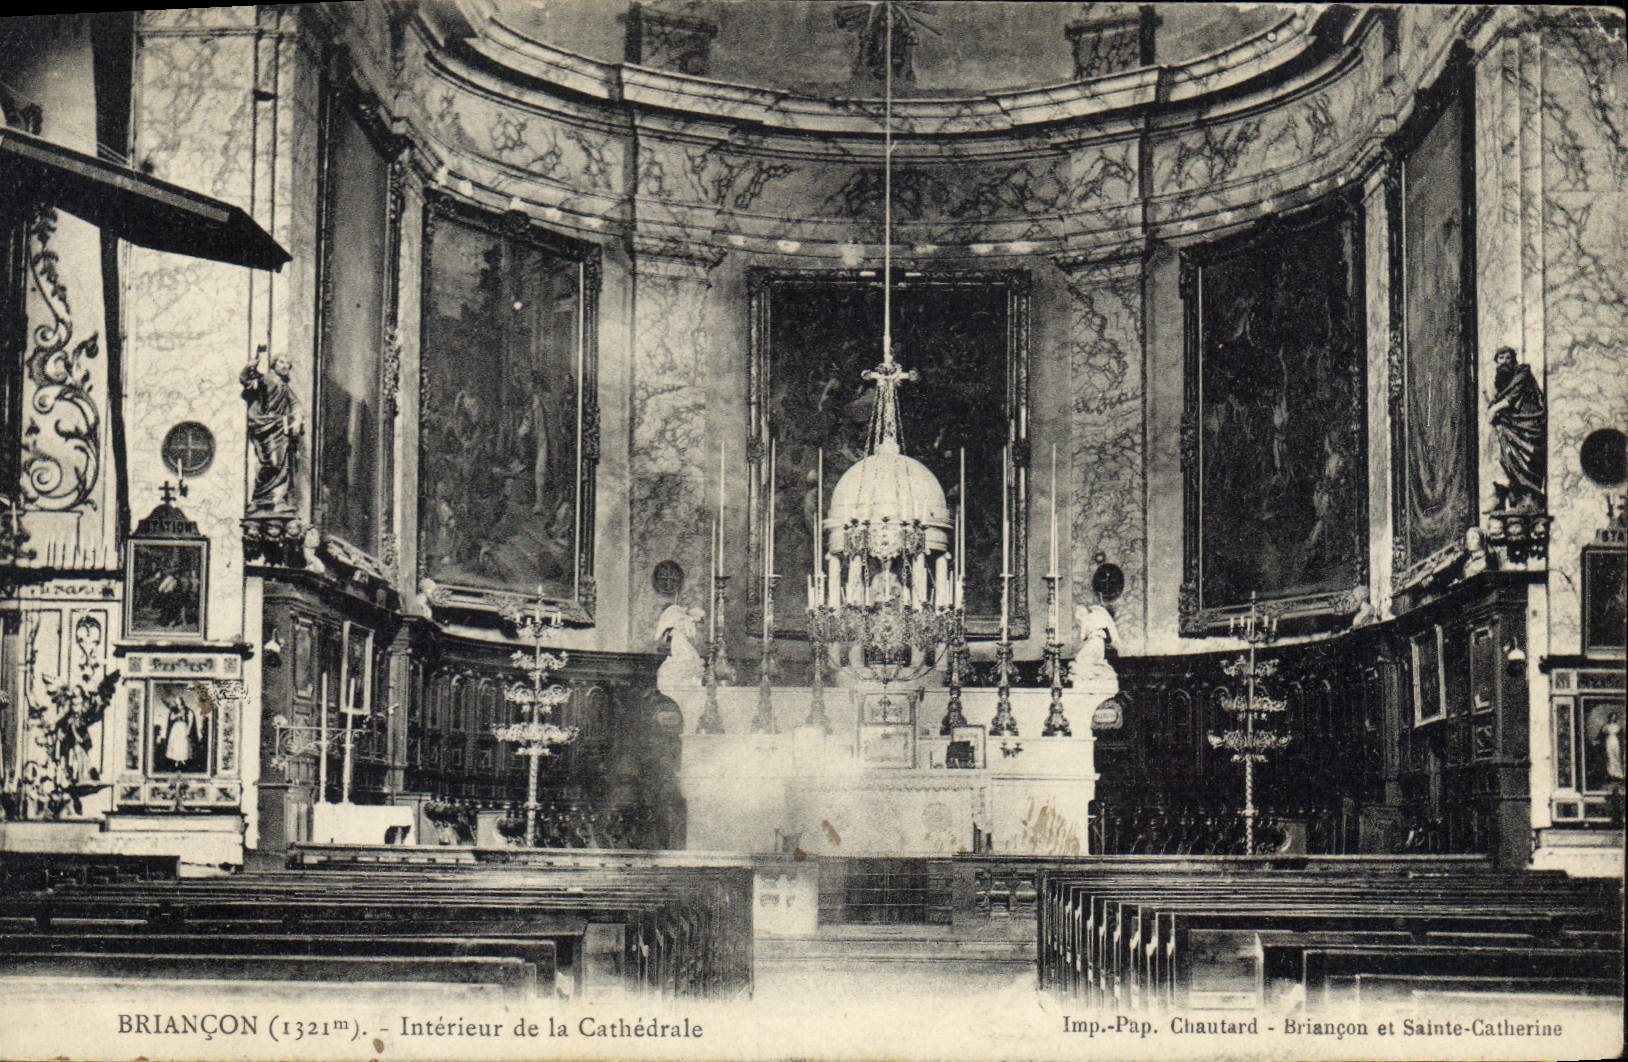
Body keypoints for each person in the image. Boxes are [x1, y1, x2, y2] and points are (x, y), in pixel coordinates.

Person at [241, 346, 303, 515]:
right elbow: (247, 380)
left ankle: (277, 500)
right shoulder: (267, 379)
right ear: (274, 364)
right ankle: (260, 499)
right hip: (266, 426)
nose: (284, 366)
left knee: (283, 464)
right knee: (270, 462)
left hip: (280, 429)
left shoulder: (284, 386)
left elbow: (296, 403)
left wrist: (297, 418)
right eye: (281, 362)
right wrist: (251, 365)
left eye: (288, 364)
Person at [1485, 346, 1546, 511]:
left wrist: (1494, 409)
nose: (1504, 361)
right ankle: (1502, 494)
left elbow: (1511, 398)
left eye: (1507, 357)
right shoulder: (1500, 380)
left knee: (1527, 461)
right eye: (1500, 358)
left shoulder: (1522, 374)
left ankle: (1529, 496)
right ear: (1496, 362)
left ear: (1514, 359)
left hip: (1527, 425)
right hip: (1509, 426)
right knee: (1505, 457)